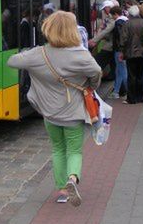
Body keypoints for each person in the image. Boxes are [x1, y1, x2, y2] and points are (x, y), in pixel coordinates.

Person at [7, 11, 101, 206]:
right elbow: (96, 73)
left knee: (58, 149)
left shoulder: (39, 54)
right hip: (74, 112)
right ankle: (72, 178)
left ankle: (62, 190)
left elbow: (12, 61)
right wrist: (89, 85)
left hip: (49, 113)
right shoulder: (80, 54)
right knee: (74, 150)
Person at [119, 5, 143, 104]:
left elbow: (123, 40)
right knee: (141, 75)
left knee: (131, 75)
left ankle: (131, 98)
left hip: (130, 53)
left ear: (130, 14)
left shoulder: (127, 24)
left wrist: (122, 51)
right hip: (142, 53)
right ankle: (141, 97)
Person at [89, 0, 116, 80]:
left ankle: (94, 80)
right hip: (109, 44)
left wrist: (94, 40)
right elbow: (102, 29)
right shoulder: (108, 18)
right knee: (113, 63)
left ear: (109, 8)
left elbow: (106, 31)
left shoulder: (111, 18)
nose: (104, 10)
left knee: (98, 62)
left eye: (105, 8)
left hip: (109, 45)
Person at [110, 6, 128, 99]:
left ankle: (129, 91)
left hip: (119, 50)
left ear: (115, 14)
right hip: (125, 49)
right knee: (120, 71)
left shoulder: (118, 23)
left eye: (112, 15)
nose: (112, 17)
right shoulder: (126, 20)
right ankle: (116, 91)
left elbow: (120, 38)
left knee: (122, 71)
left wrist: (121, 50)